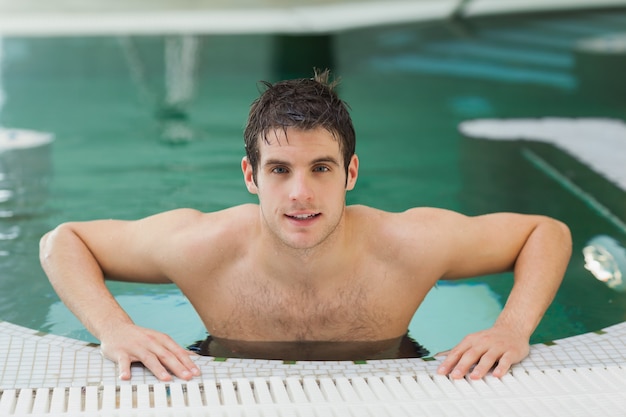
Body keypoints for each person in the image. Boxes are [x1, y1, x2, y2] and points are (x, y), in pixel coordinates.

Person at [39, 70, 572, 382]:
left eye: (321, 168)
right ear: (251, 176)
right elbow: (63, 241)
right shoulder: (202, 246)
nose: (300, 194)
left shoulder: (408, 244)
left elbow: (545, 232)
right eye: (279, 170)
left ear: (351, 173)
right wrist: (116, 329)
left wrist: (512, 329)